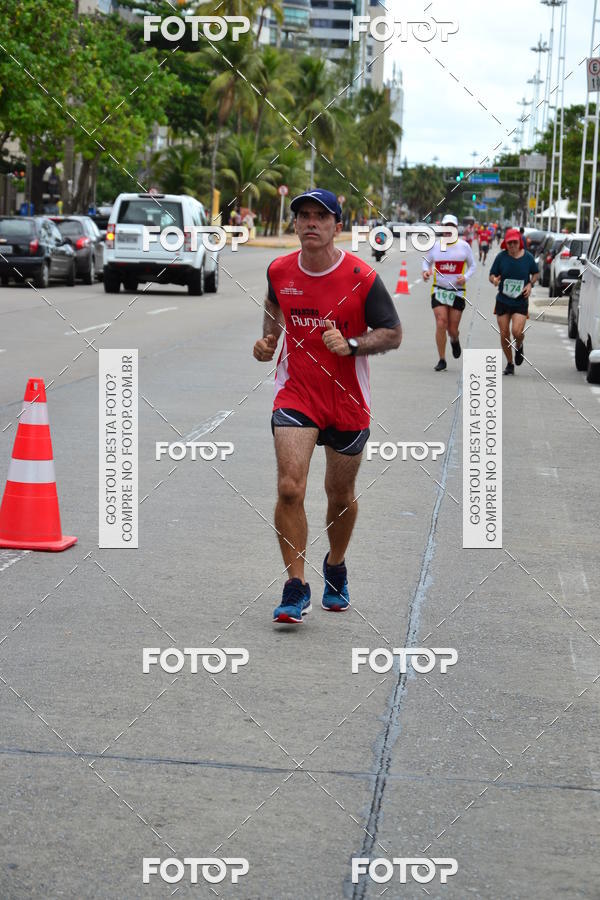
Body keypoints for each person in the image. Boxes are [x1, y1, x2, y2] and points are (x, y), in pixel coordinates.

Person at [253, 188, 402, 625]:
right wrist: (270, 340)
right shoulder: (279, 269)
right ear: (295, 223)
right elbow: (273, 303)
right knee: (289, 487)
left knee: (339, 495)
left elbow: (392, 332)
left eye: (321, 216)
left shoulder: (361, 276)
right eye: (304, 216)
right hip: (297, 393)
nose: (311, 223)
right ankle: (295, 586)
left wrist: (353, 344)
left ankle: (335, 564)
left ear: (338, 225)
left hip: (347, 401)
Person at [422, 213, 477, 371]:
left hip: (457, 292)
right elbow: (426, 262)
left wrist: (465, 277)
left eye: (451, 227)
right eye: (446, 227)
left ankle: (454, 339)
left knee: (452, 329)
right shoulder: (436, 246)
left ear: (456, 229)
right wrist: (425, 272)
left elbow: (473, 266)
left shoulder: (464, 246)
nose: (448, 230)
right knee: (441, 322)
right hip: (439, 291)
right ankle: (442, 359)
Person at [489, 227, 539, 375]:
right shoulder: (501, 257)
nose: (512, 246)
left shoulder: (528, 258)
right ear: (505, 244)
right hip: (503, 301)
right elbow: (492, 275)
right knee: (504, 334)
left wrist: (530, 284)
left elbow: (536, 273)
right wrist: (495, 280)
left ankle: (519, 344)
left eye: (514, 243)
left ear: (519, 242)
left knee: (516, 331)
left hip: (520, 301)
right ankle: (510, 363)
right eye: (509, 243)